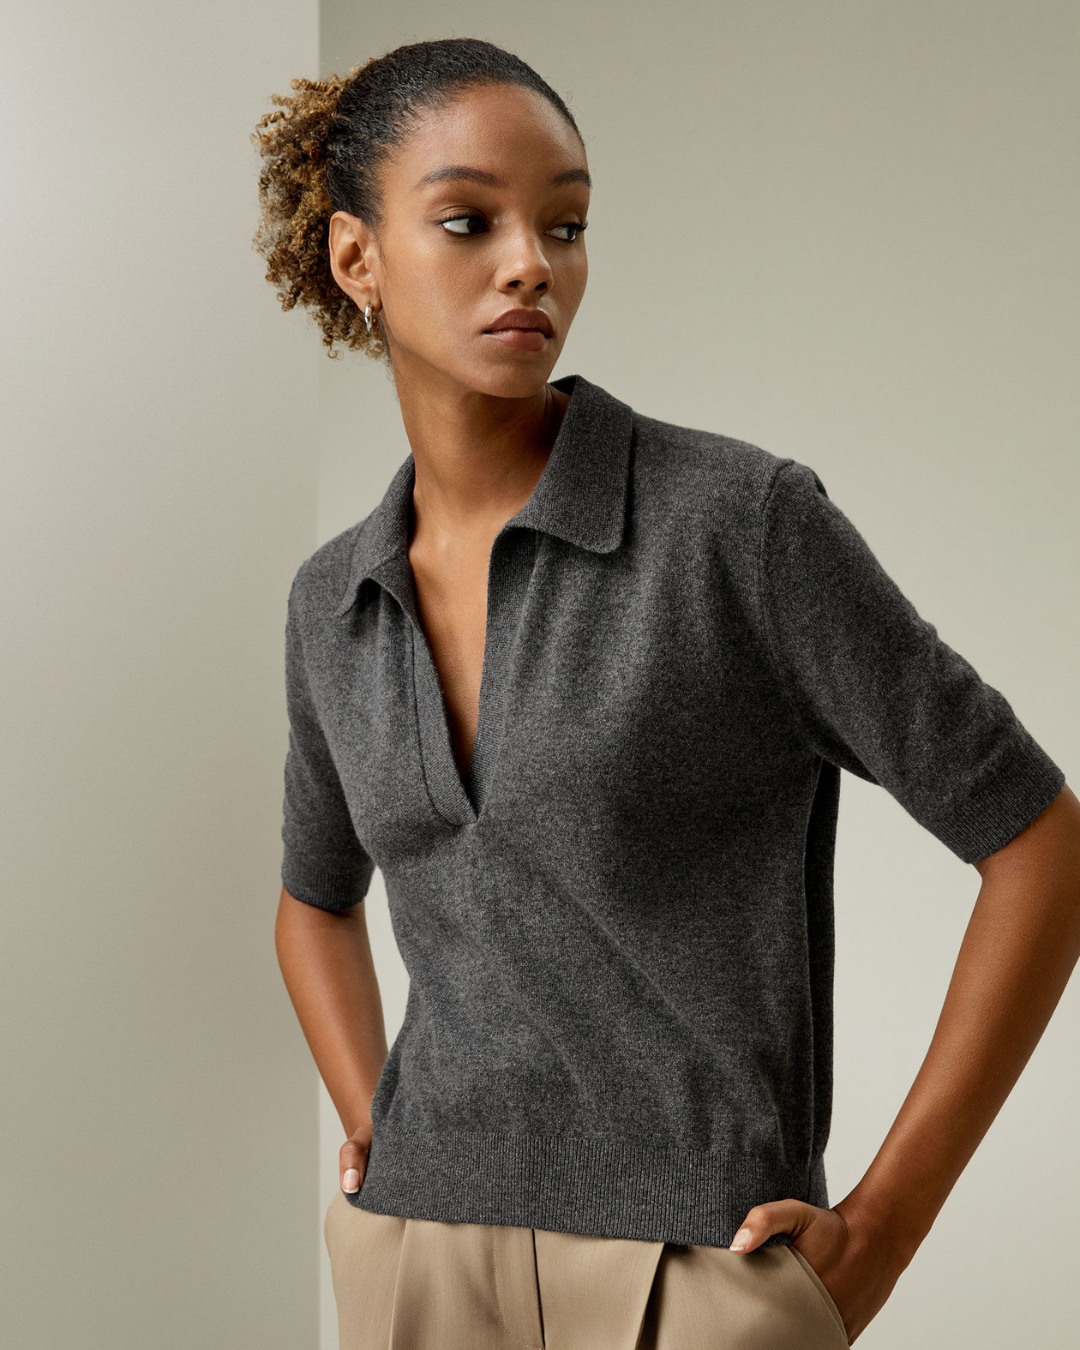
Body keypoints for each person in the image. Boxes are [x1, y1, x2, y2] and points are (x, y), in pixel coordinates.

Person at [251, 37, 1080, 1350]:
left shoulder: (738, 528)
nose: (532, 263)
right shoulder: (331, 600)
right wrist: (380, 1125)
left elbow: (1041, 843)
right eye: (469, 222)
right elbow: (313, 905)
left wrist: (878, 1232)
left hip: (693, 1269)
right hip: (415, 1261)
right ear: (358, 258)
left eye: (566, 223)